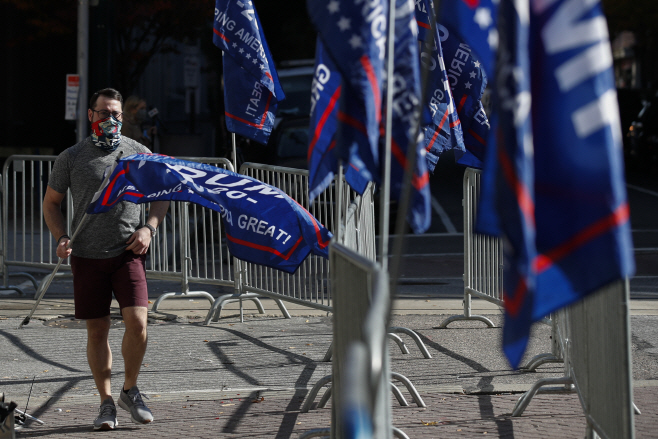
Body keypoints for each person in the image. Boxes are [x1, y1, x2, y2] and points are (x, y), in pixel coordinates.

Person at [43, 88, 169, 431]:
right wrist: (61, 238)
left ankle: (130, 389)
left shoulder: (138, 152)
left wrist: (149, 229)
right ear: (90, 116)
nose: (110, 120)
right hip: (85, 256)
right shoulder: (71, 157)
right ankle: (106, 402)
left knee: (138, 323)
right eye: (103, 114)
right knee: (97, 330)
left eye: (116, 115)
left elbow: (162, 197)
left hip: (128, 253)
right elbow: (50, 203)